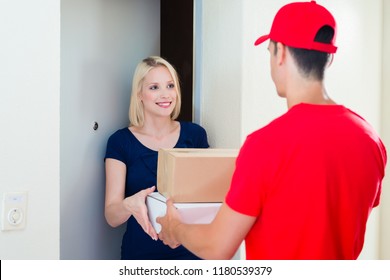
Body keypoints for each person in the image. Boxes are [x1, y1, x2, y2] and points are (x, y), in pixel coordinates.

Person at [157, 1, 387, 259]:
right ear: (329, 58)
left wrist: (174, 227)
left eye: (269, 50)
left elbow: (217, 247)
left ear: (281, 53)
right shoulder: (370, 140)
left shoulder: (265, 144)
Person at [104, 56, 209, 260]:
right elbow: (111, 216)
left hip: (191, 253)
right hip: (141, 255)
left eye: (170, 85)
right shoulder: (120, 142)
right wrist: (129, 204)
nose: (165, 94)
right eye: (154, 87)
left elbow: (209, 198)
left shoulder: (195, 135)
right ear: (139, 94)